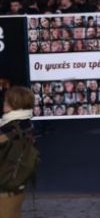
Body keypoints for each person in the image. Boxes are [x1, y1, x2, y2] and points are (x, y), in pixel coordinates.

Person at [0, 86, 36, 218]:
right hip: (16, 189)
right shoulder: (25, 124)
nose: (3, 103)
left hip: (4, 193)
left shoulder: (10, 129)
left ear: (14, 103)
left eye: (6, 101)